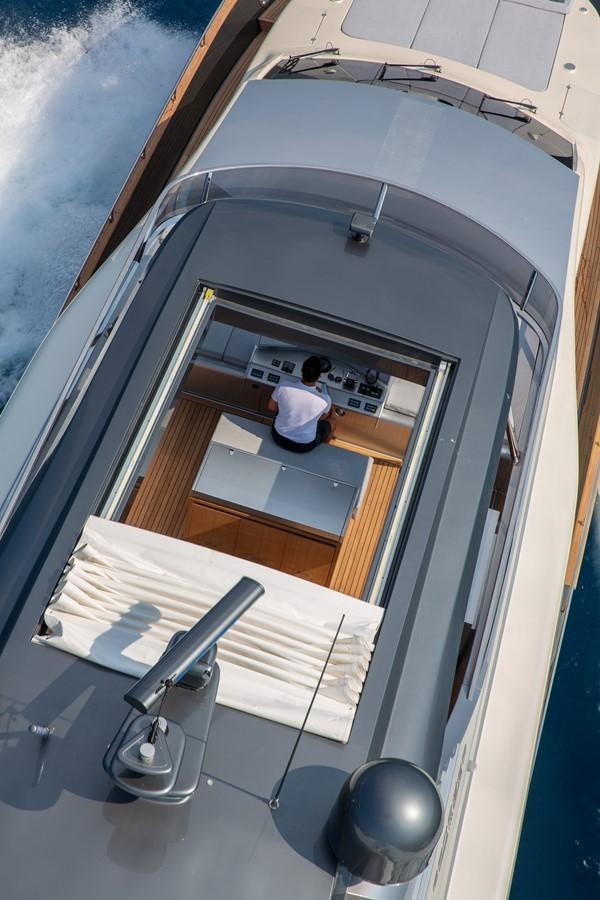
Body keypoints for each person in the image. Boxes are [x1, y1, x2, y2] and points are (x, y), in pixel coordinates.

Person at [268, 355, 334, 453]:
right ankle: (326, 446)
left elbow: (271, 407)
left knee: (283, 406)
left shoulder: (283, 386)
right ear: (319, 376)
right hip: (303, 446)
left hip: (278, 437)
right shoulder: (325, 399)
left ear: (302, 371)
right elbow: (322, 418)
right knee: (333, 421)